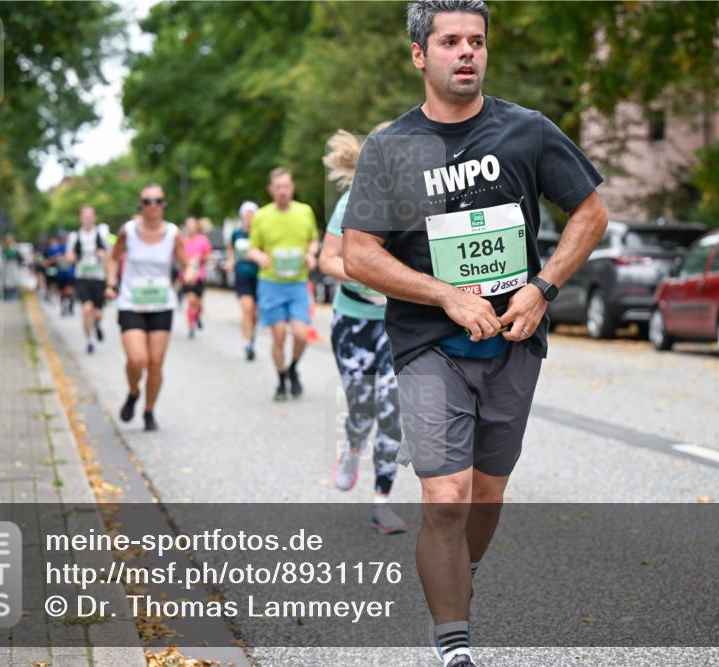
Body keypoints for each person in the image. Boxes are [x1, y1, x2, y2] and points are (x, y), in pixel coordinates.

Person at [341, 2, 608, 665]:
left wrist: (542, 287)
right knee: (446, 494)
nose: (467, 52)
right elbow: (359, 253)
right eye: (451, 41)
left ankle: (460, 574)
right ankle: (453, 643)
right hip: (429, 342)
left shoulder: (528, 132)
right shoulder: (389, 148)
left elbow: (591, 212)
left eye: (477, 41)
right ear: (419, 55)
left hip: (514, 339)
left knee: (486, 493)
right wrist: (446, 296)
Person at [319, 125, 409, 534]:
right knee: (362, 409)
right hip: (353, 322)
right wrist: (366, 273)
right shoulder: (352, 202)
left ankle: (383, 503)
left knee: (392, 413)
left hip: (396, 324)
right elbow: (327, 260)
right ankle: (353, 446)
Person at [105, 184, 190, 432]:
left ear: (164, 204)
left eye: (158, 200)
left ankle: (149, 411)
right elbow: (113, 258)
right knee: (137, 359)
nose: (152, 205)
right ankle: (133, 392)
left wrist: (191, 271)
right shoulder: (128, 231)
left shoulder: (173, 233)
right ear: (140, 205)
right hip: (131, 302)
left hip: (161, 304)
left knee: (155, 364)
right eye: (147, 201)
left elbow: (185, 262)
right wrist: (111, 283)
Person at [247, 168, 319, 401]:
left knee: (301, 334)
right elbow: (252, 247)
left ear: (292, 187)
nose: (283, 191)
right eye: (278, 187)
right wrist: (257, 256)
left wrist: (311, 254)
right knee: (278, 335)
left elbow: (314, 240)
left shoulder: (305, 211)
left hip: (297, 283)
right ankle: (280, 380)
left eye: (286, 186)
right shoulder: (262, 216)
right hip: (271, 283)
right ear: (271, 190)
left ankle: (293, 368)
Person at [66, 206, 110, 353]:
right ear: (81, 218)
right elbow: (69, 257)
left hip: (98, 277)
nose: (87, 219)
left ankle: (97, 324)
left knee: (98, 313)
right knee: (86, 309)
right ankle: (89, 341)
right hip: (82, 277)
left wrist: (103, 255)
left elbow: (110, 256)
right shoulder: (74, 236)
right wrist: (72, 258)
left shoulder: (101, 235)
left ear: (94, 217)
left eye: (90, 216)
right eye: (85, 216)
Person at [227, 201, 260, 360]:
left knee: (255, 313)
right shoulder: (236, 233)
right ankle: (246, 343)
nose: (250, 217)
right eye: (247, 214)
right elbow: (231, 250)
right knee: (247, 308)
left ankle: (251, 334)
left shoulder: (260, 233)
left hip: (260, 276)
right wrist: (230, 261)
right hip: (242, 275)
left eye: (252, 213)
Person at [179, 216, 212, 339]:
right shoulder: (182, 241)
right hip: (186, 277)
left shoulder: (203, 240)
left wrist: (200, 257)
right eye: (188, 226)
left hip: (199, 276)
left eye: (193, 226)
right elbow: (178, 257)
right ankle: (191, 326)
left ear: (196, 227)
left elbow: (210, 256)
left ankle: (197, 315)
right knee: (190, 300)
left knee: (198, 303)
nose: (190, 228)